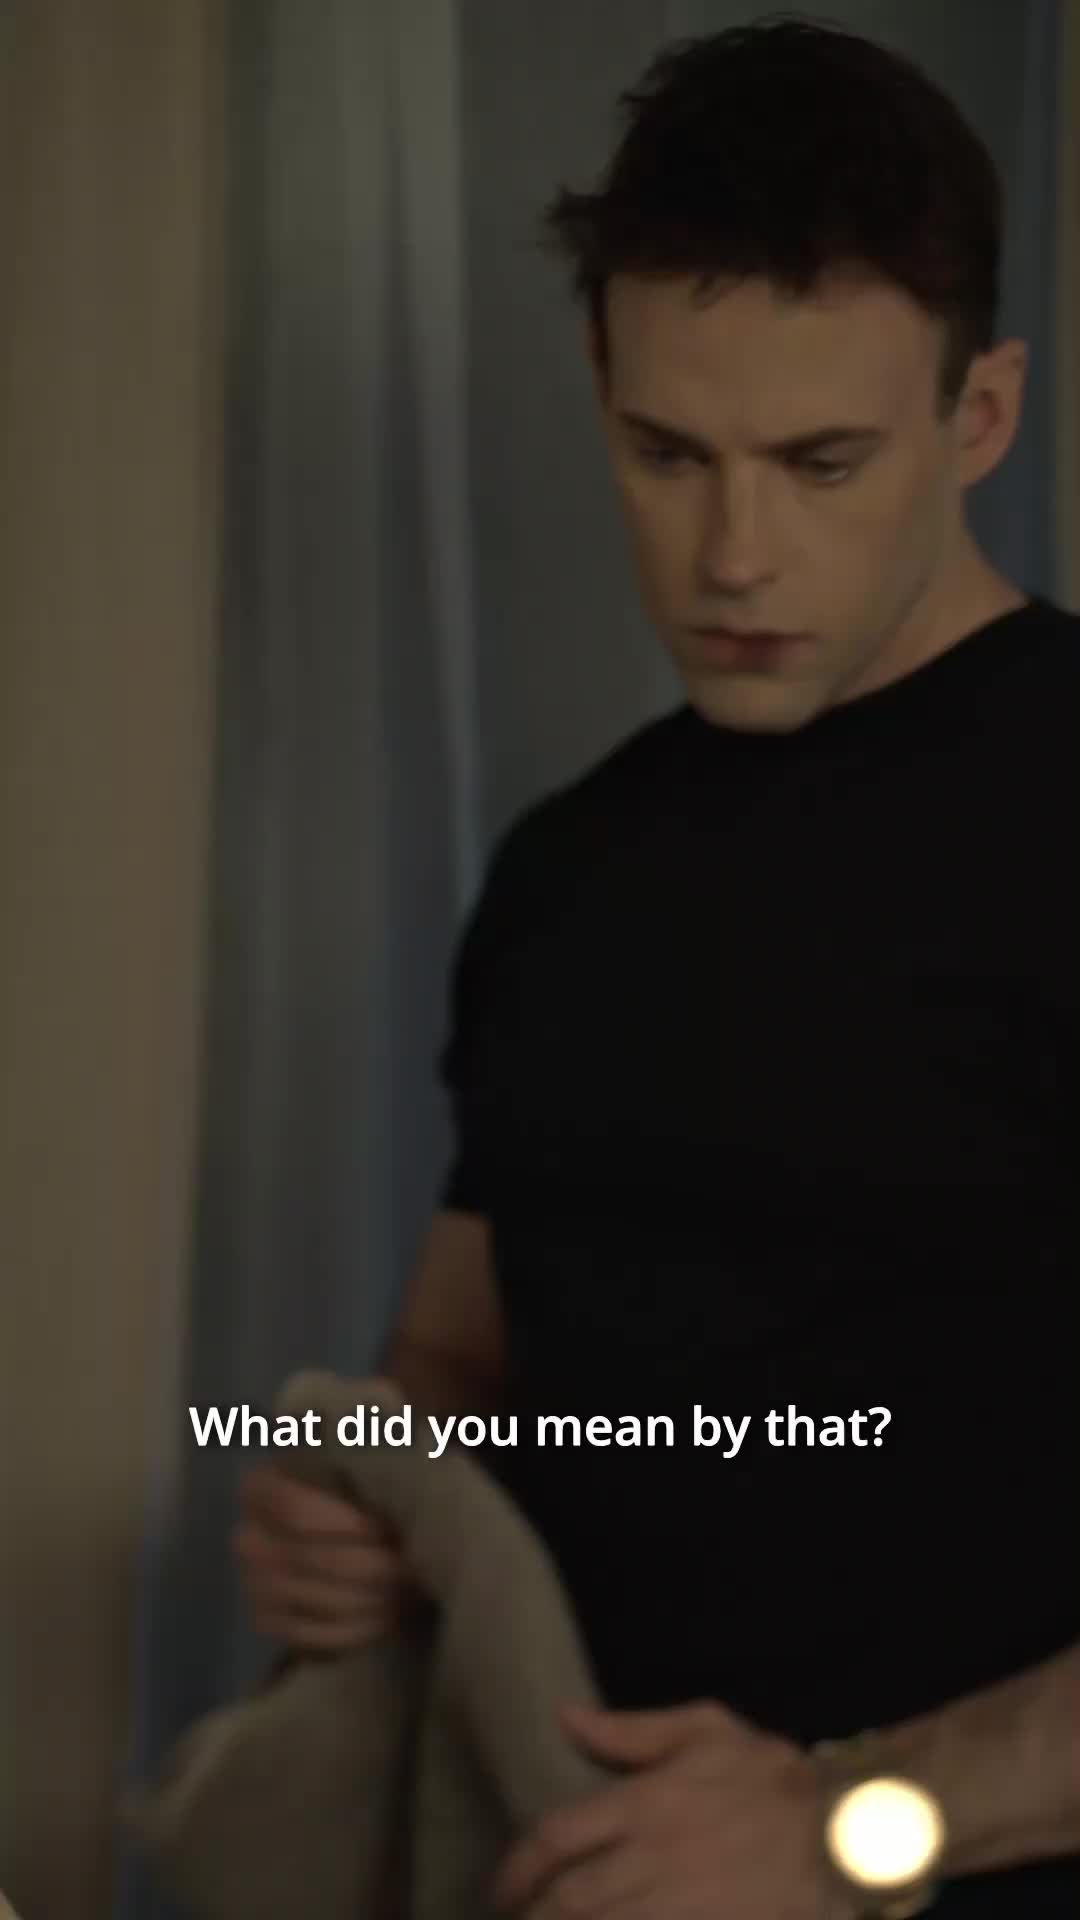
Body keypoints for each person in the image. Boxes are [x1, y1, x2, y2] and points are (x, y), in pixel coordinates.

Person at [233, 19, 1079, 1917]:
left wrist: (852, 1823)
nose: (735, 553)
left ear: (982, 415)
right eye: (667, 455)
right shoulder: (569, 871)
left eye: (822, 461)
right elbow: (459, 1367)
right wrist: (358, 1517)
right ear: (600, 391)